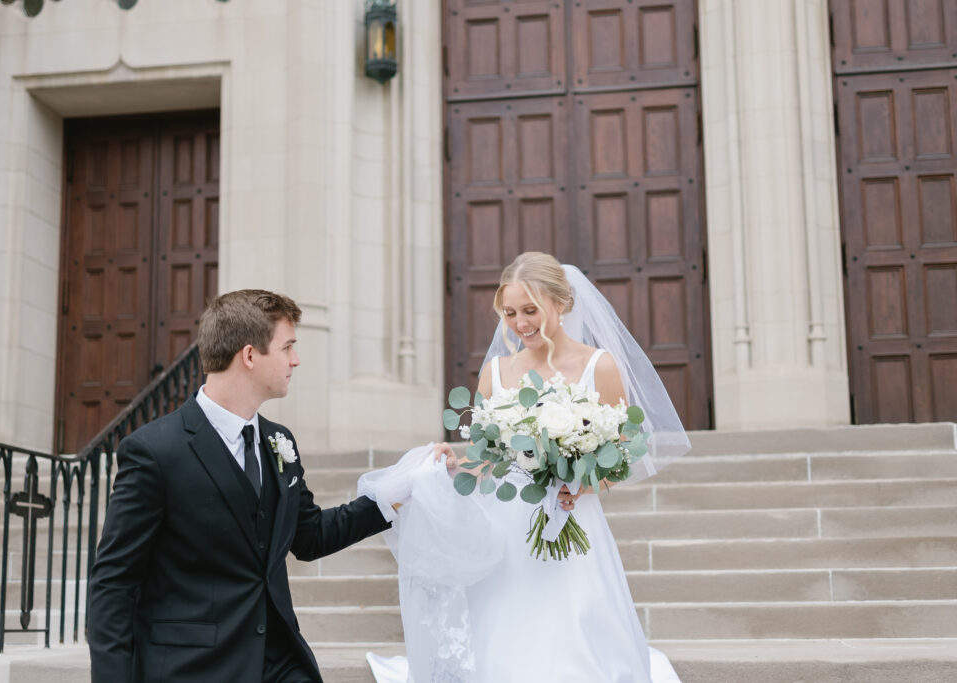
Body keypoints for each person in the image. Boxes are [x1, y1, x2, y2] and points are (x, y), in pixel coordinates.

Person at [361, 252, 689, 682]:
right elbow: (486, 459)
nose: (520, 323)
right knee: (506, 630)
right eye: (511, 312)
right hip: (508, 522)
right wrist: (455, 463)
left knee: (576, 631)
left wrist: (585, 483)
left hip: (574, 519)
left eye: (530, 310)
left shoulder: (599, 366)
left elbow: (622, 455)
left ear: (561, 303)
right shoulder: (495, 373)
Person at [87, 290, 392, 683]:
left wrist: (392, 498)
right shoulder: (155, 452)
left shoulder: (279, 441)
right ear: (249, 356)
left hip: (279, 664)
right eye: (287, 348)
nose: (295, 360)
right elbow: (114, 582)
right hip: (192, 669)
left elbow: (310, 536)